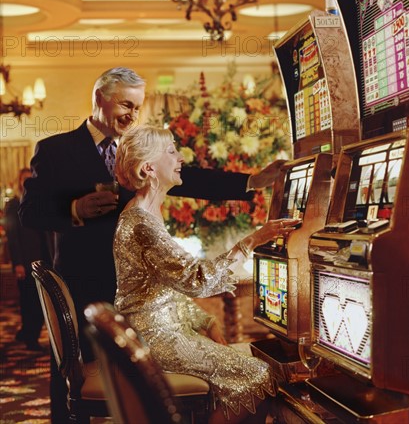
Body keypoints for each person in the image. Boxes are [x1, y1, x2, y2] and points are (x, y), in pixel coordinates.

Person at [18, 67, 285, 422]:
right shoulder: (55, 149)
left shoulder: (136, 148)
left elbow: (185, 175)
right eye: (126, 105)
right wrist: (74, 208)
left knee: (141, 388)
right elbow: (30, 213)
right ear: (100, 98)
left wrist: (252, 181)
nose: (132, 114)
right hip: (85, 281)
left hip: (137, 284)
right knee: (69, 381)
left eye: (137, 107)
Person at [113, 125, 300, 423]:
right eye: (172, 151)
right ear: (149, 167)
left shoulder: (145, 212)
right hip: (154, 339)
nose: (180, 157)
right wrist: (253, 239)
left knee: (246, 368)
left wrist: (205, 319)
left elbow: (160, 289)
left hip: (156, 329)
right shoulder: (141, 223)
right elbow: (195, 279)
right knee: (258, 375)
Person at [4, 168, 49, 351]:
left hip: (41, 260)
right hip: (25, 261)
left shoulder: (38, 203)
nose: (28, 183)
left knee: (39, 301)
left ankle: (28, 333)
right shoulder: (14, 204)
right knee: (29, 301)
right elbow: (12, 236)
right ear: (19, 182)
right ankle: (30, 337)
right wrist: (18, 263)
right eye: (25, 180)